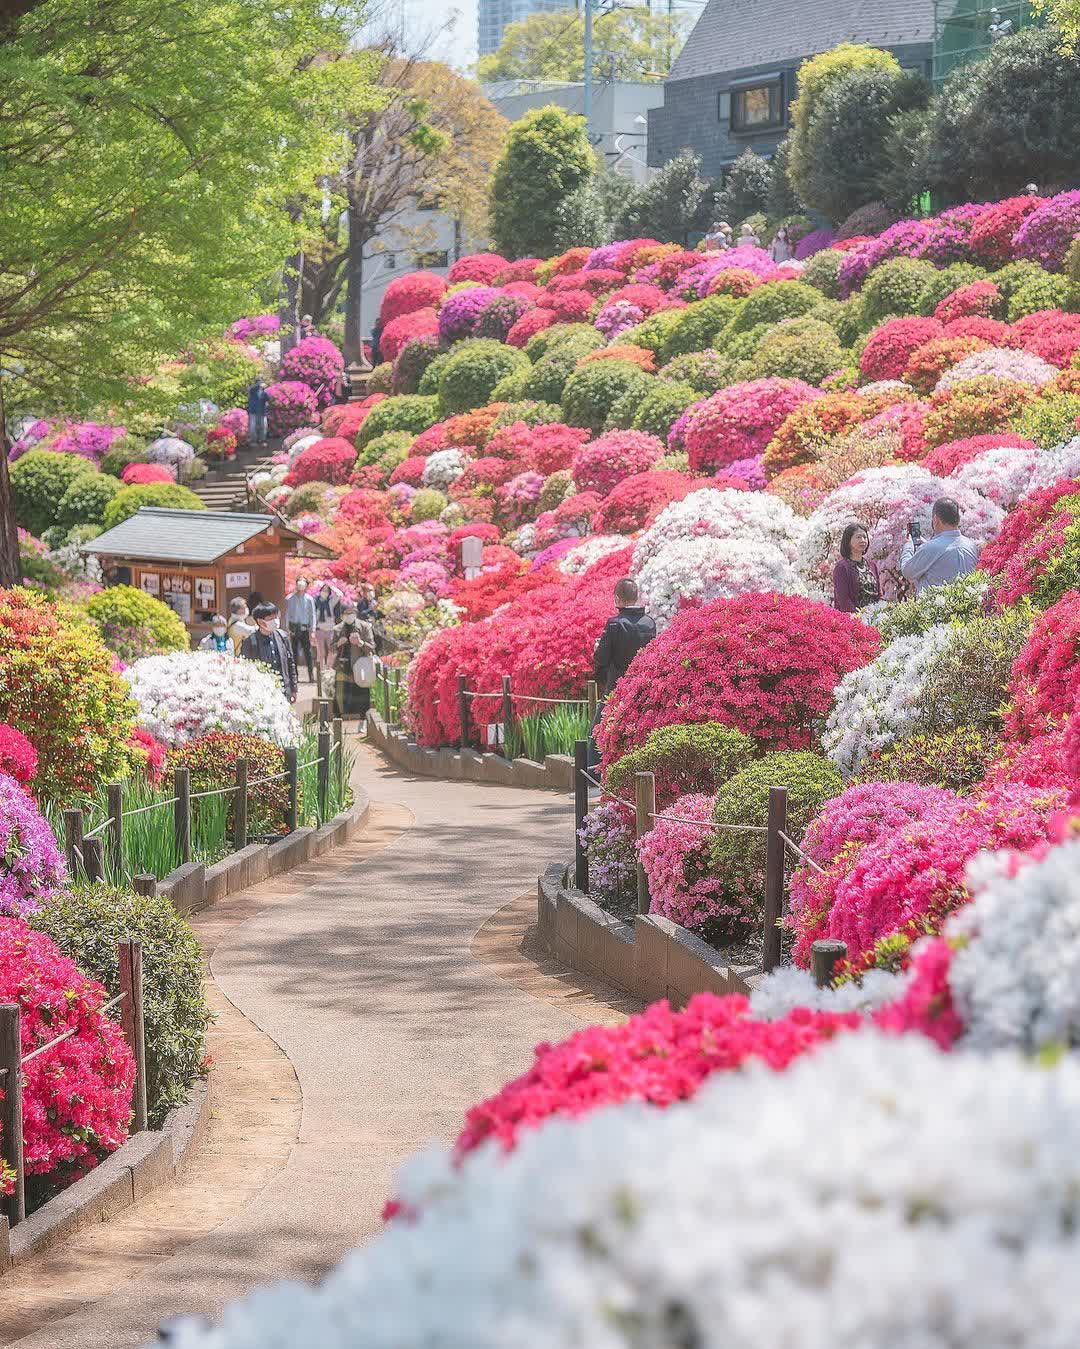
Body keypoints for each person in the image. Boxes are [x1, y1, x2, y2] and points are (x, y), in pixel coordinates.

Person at [900, 497, 981, 596]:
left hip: (936, 609)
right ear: (958, 519)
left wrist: (908, 546)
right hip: (967, 607)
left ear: (936, 520)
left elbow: (907, 571)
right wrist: (926, 544)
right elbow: (947, 549)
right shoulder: (971, 545)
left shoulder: (930, 548)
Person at [240, 602, 298, 703]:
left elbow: (290, 663)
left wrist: (294, 689)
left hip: (284, 690)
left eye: (276, 617)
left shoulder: (283, 637)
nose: (275, 621)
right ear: (260, 621)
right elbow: (245, 669)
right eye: (270, 618)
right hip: (262, 692)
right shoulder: (250, 642)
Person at [332, 600, 376, 722]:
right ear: (342, 615)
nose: (349, 615)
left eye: (351, 613)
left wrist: (360, 643)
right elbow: (331, 648)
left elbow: (372, 647)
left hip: (360, 666)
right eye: (346, 613)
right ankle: (339, 719)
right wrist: (338, 643)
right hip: (342, 665)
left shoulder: (364, 627)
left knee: (361, 693)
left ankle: (362, 719)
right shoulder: (337, 628)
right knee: (340, 695)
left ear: (355, 613)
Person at [833, 524, 881, 613]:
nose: (863, 540)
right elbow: (844, 600)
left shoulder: (872, 565)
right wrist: (860, 617)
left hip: (875, 617)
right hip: (854, 620)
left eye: (865, 537)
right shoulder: (842, 567)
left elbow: (878, 594)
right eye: (858, 537)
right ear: (848, 541)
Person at [285, 576, 316, 683]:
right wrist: (288, 629)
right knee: (294, 653)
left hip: (305, 628)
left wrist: (313, 630)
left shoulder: (309, 599)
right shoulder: (289, 598)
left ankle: (311, 675)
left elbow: (312, 615)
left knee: (308, 653)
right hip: (294, 628)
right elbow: (287, 614)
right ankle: (295, 676)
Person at [313, 582, 342, 673]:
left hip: (330, 630)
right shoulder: (315, 602)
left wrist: (331, 586)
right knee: (321, 653)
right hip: (319, 630)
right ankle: (321, 671)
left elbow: (339, 595)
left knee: (332, 650)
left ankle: (329, 668)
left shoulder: (330, 602)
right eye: (323, 590)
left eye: (326, 591)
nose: (324, 592)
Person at [246, 378, 269, 445]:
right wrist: (259, 385)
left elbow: (268, 398)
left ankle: (262, 440)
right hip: (253, 412)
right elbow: (252, 388)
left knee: (264, 426)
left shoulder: (264, 392)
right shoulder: (252, 391)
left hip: (262, 412)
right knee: (253, 427)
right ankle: (254, 441)